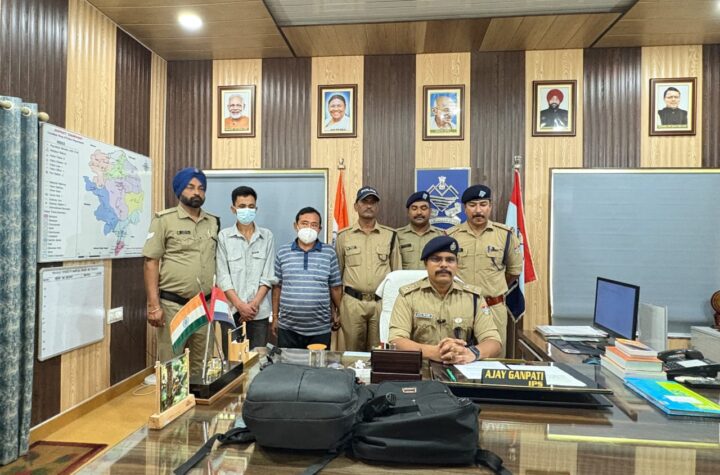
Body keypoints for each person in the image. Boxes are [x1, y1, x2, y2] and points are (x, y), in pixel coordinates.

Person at [143, 167, 219, 374]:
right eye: (190, 187)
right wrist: (153, 306)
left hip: (204, 305)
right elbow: (151, 262)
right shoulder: (163, 220)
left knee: (201, 367)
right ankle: (171, 398)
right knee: (172, 369)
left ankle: (197, 396)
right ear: (179, 190)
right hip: (173, 305)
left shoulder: (213, 222)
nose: (197, 192)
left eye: (201, 188)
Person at [388, 236, 502, 363]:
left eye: (450, 260)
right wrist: (435, 352)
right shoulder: (408, 297)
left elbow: (494, 342)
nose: (443, 265)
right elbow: (396, 341)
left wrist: (471, 353)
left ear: (457, 265)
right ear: (425, 264)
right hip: (421, 369)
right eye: (436, 259)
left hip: (460, 368)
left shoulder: (474, 298)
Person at [446, 185, 522, 356]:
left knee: (493, 358)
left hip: (493, 307)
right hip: (459, 307)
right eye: (472, 205)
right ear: (464, 208)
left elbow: (514, 271)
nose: (478, 210)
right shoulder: (451, 236)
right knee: (456, 355)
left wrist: (492, 289)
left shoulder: (505, 235)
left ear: (490, 206)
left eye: (483, 204)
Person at [335, 186, 401, 351]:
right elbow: (336, 275)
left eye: (373, 202)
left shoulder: (390, 235)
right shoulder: (343, 236)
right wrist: (336, 308)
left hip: (380, 304)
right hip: (352, 303)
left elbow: (396, 274)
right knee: (350, 352)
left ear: (377, 207)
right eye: (364, 202)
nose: (369, 206)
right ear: (356, 206)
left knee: (379, 351)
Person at [271, 207, 343, 349]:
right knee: (288, 363)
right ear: (296, 226)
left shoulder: (329, 252)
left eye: (314, 225)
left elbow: (335, 287)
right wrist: (274, 317)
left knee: (318, 364)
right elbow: (277, 287)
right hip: (288, 328)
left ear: (319, 229)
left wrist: (338, 313)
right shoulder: (283, 252)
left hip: (320, 329)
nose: (309, 228)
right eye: (304, 223)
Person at [216, 186, 275, 349]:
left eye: (251, 206)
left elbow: (268, 276)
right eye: (242, 206)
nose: (247, 210)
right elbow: (223, 276)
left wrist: (253, 305)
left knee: (258, 358)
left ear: (256, 209)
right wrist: (240, 306)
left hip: (259, 312)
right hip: (231, 312)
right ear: (233, 209)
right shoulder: (224, 237)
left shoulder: (267, 236)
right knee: (233, 360)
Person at [396, 191, 444, 270]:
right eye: (414, 208)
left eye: (424, 208)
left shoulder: (441, 236)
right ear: (408, 212)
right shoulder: (397, 235)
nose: (419, 212)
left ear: (430, 211)